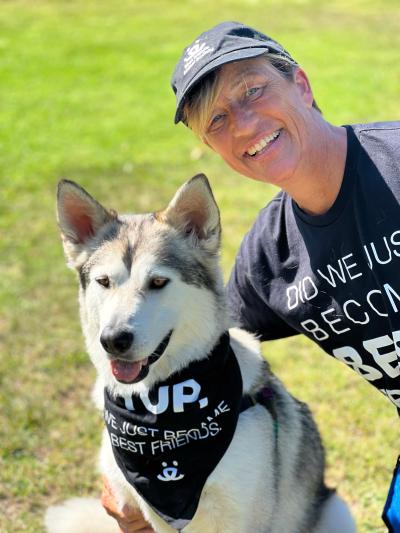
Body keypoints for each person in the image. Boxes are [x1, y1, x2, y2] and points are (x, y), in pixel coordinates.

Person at [102, 21, 400, 532]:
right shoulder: (271, 257)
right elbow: (199, 351)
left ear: (301, 85)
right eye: (216, 119)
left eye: (253, 90)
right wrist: (137, 475)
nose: (241, 123)